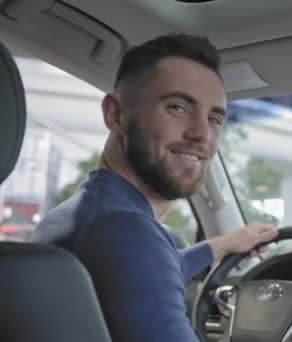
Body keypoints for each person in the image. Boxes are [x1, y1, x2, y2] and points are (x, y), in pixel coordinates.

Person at [30, 33, 278, 341]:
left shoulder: (82, 214)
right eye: (177, 107)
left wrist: (223, 244)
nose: (202, 133)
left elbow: (151, 270)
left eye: (214, 118)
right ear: (116, 114)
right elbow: (141, 260)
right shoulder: (126, 230)